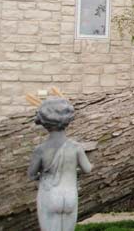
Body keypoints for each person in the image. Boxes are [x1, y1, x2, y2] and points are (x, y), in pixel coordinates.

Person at [28, 97, 92, 231]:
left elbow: (32, 174)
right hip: (70, 196)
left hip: (49, 195)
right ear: (68, 120)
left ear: (43, 122)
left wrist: (41, 175)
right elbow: (87, 169)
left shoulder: (40, 150)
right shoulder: (76, 147)